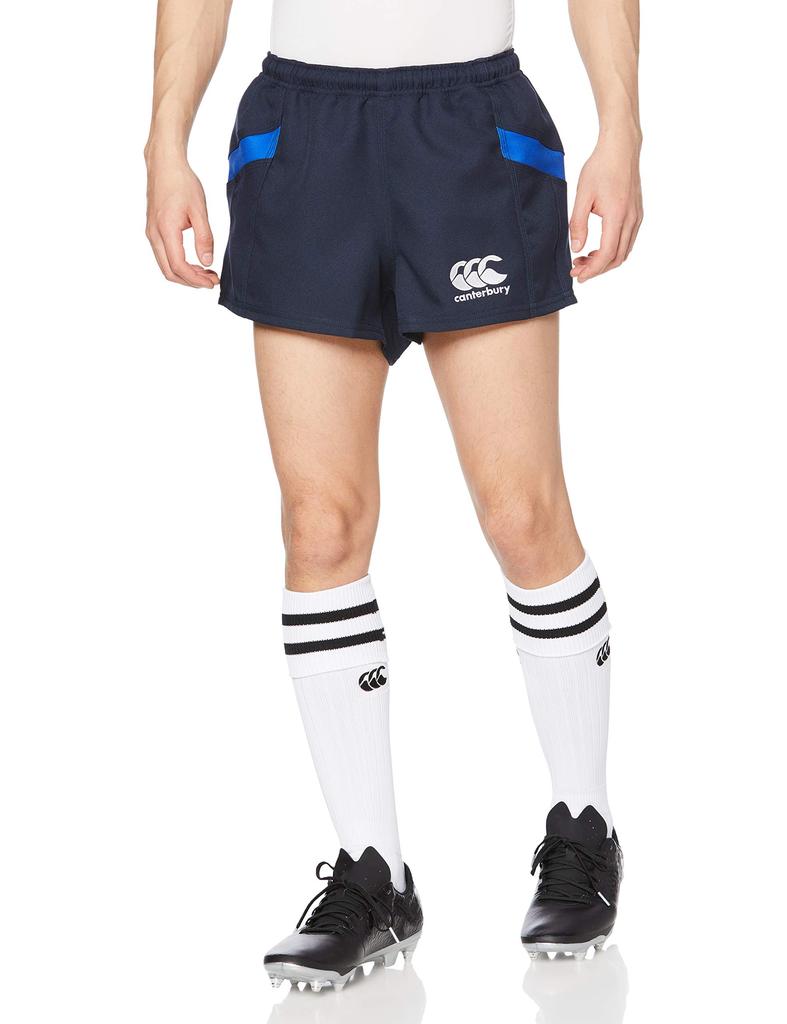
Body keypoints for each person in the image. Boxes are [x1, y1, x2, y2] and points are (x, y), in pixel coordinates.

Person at [145, 0, 642, 991]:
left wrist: (621, 126)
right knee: (318, 524)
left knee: (522, 512)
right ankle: (373, 875)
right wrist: (165, 140)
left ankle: (583, 827)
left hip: (468, 124)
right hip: (305, 132)